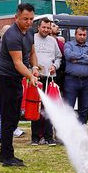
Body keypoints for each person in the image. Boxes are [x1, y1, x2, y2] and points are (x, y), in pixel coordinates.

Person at [0, 3, 39, 167]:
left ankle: (5, 153)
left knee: (13, 117)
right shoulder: (12, 35)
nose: (29, 22)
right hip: (5, 78)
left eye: (31, 19)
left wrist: (34, 67)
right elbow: (18, 63)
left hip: (16, 79)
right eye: (25, 19)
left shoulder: (30, 32)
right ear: (16, 17)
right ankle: (6, 156)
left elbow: (32, 53)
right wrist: (30, 76)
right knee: (8, 118)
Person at [30, 17, 61, 146]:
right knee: (36, 107)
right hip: (36, 78)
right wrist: (33, 68)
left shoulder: (53, 41)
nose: (46, 30)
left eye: (48, 28)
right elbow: (28, 55)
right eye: (44, 27)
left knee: (49, 108)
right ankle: (35, 137)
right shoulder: (31, 39)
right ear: (38, 27)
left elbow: (59, 57)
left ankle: (49, 137)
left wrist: (55, 66)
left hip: (49, 79)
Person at [64, 27, 88, 125]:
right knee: (69, 108)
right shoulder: (68, 44)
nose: (82, 37)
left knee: (84, 109)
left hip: (87, 81)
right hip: (71, 81)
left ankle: (81, 133)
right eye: (80, 34)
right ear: (75, 35)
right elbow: (68, 55)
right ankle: (68, 133)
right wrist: (85, 57)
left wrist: (77, 59)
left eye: (84, 35)